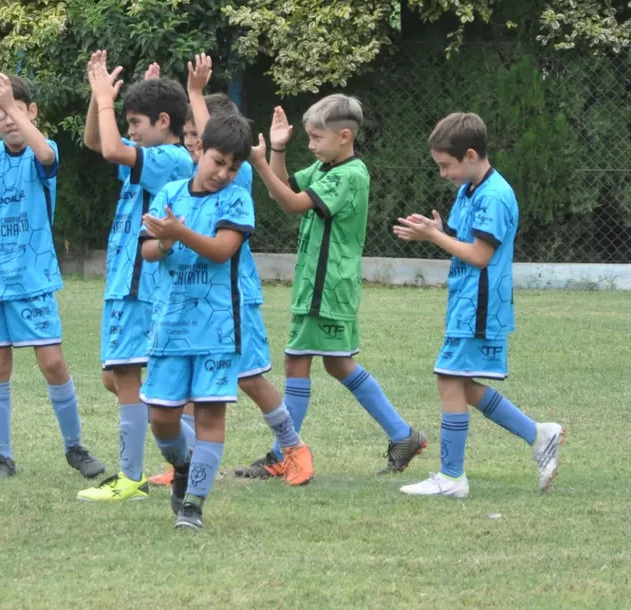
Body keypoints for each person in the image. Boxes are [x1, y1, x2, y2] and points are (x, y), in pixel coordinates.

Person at [250, 97, 428, 481]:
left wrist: (261, 162)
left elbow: (294, 205)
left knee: (298, 361)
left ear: (344, 136)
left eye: (317, 137)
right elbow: (280, 189)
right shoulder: (326, 167)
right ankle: (403, 435)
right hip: (320, 287)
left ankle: (283, 454)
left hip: (326, 289)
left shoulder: (349, 175)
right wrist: (277, 150)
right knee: (335, 363)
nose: (311, 144)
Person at [394, 112, 564, 498]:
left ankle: (452, 477)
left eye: (445, 165)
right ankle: (539, 435)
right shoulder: (469, 190)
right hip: (465, 302)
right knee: (457, 383)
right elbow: (462, 237)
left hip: (481, 306)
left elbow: (480, 255)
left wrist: (435, 240)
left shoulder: (495, 195)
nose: (442, 174)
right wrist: (437, 232)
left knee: (449, 380)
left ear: (470, 155)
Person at [0, 73, 104, 480]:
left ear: (32, 111)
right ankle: (3, 457)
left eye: (18, 110)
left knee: (52, 362)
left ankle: (75, 446)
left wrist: (15, 110)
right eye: (2, 114)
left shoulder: (43, 150)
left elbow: (47, 157)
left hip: (31, 280)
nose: (9, 120)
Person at [77, 51, 195, 502]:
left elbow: (108, 146)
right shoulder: (148, 154)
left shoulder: (172, 158)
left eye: (135, 124)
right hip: (124, 283)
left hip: (143, 285)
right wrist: (97, 98)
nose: (128, 132)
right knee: (116, 377)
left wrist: (108, 101)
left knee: (125, 372)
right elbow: (95, 141)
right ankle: (192, 447)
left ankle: (131, 478)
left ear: (163, 122)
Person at [139, 112, 256, 529]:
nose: (223, 173)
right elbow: (148, 250)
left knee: (209, 415)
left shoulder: (237, 199)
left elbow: (221, 250)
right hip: (169, 328)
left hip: (218, 331)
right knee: (162, 418)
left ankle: (194, 505)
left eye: (234, 167)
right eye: (218, 161)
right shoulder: (169, 192)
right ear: (199, 150)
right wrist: (165, 240)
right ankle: (183, 465)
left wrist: (177, 233)